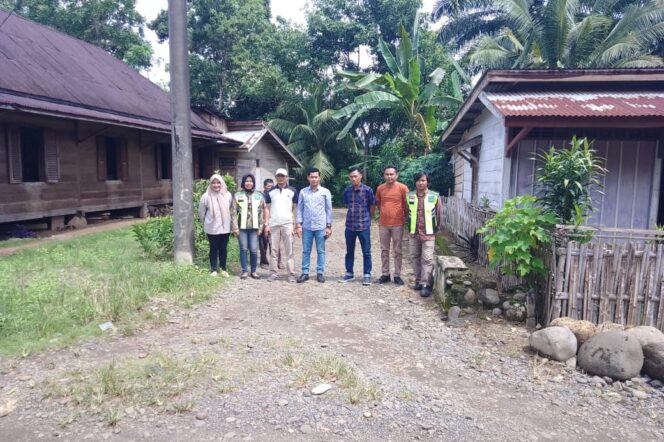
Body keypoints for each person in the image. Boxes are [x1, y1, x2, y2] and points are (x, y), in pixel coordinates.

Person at [407, 172, 443, 297]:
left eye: (423, 180)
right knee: (414, 256)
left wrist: (437, 229)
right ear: (415, 182)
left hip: (429, 232)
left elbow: (439, 214)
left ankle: (425, 284)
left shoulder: (434, 196)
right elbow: (407, 212)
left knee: (427, 258)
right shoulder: (410, 196)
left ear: (427, 181)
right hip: (414, 232)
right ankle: (418, 281)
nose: (421, 183)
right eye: (418, 181)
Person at [296, 168, 333, 283]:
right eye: (312, 177)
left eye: (316, 177)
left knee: (321, 250)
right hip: (307, 227)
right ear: (308, 178)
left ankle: (320, 272)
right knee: (306, 250)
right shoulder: (303, 192)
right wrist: (298, 225)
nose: (314, 179)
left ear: (319, 178)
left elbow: (329, 210)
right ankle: (305, 272)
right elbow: (299, 209)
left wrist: (329, 226)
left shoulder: (325, 192)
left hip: (320, 226)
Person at [339, 167, 375, 285]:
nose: (354, 179)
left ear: (361, 176)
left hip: (364, 226)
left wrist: (368, 219)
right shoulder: (347, 191)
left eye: (356, 176)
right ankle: (349, 273)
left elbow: (372, 206)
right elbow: (347, 205)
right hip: (350, 226)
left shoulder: (368, 190)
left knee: (366, 251)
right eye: (351, 177)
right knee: (349, 251)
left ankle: (367, 274)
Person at [374, 165, 409, 286]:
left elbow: (407, 205)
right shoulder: (380, 188)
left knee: (397, 250)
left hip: (398, 224)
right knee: (384, 250)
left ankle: (397, 275)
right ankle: (385, 274)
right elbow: (379, 204)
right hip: (383, 224)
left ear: (396, 175)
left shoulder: (403, 188)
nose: (389, 176)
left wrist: (403, 217)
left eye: (392, 174)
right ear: (384, 175)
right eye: (387, 174)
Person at [264, 168, 298, 283]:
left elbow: (295, 208)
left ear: (286, 177)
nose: (280, 178)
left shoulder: (293, 191)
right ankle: (273, 273)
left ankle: (291, 274)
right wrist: (266, 224)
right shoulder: (270, 192)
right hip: (274, 225)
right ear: (276, 177)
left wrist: (295, 224)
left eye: (283, 176)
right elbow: (267, 209)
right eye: (278, 175)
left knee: (290, 250)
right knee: (273, 250)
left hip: (288, 224)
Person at [199, 174, 235, 277]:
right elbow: (201, 212)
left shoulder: (227, 195)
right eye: (213, 183)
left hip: (225, 227)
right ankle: (214, 269)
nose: (216, 185)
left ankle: (223, 269)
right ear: (210, 184)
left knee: (223, 248)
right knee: (213, 248)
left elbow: (231, 210)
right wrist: (205, 222)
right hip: (212, 227)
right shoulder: (206, 196)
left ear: (222, 183)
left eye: (218, 182)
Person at [233, 174, 265, 279]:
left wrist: (261, 227)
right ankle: (244, 271)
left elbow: (262, 212)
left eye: (251, 181)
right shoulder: (237, 195)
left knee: (254, 250)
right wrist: (235, 227)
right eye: (246, 181)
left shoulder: (259, 195)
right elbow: (233, 212)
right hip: (241, 228)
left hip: (254, 228)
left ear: (253, 183)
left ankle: (254, 271)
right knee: (243, 249)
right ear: (243, 182)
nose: (249, 183)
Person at [259, 178, 275, 270]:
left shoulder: (275, 195)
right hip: (262, 222)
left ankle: (277, 262)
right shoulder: (260, 196)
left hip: (274, 222)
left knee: (274, 244)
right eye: (268, 186)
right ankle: (263, 262)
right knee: (263, 244)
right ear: (264, 187)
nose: (270, 188)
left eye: (272, 186)